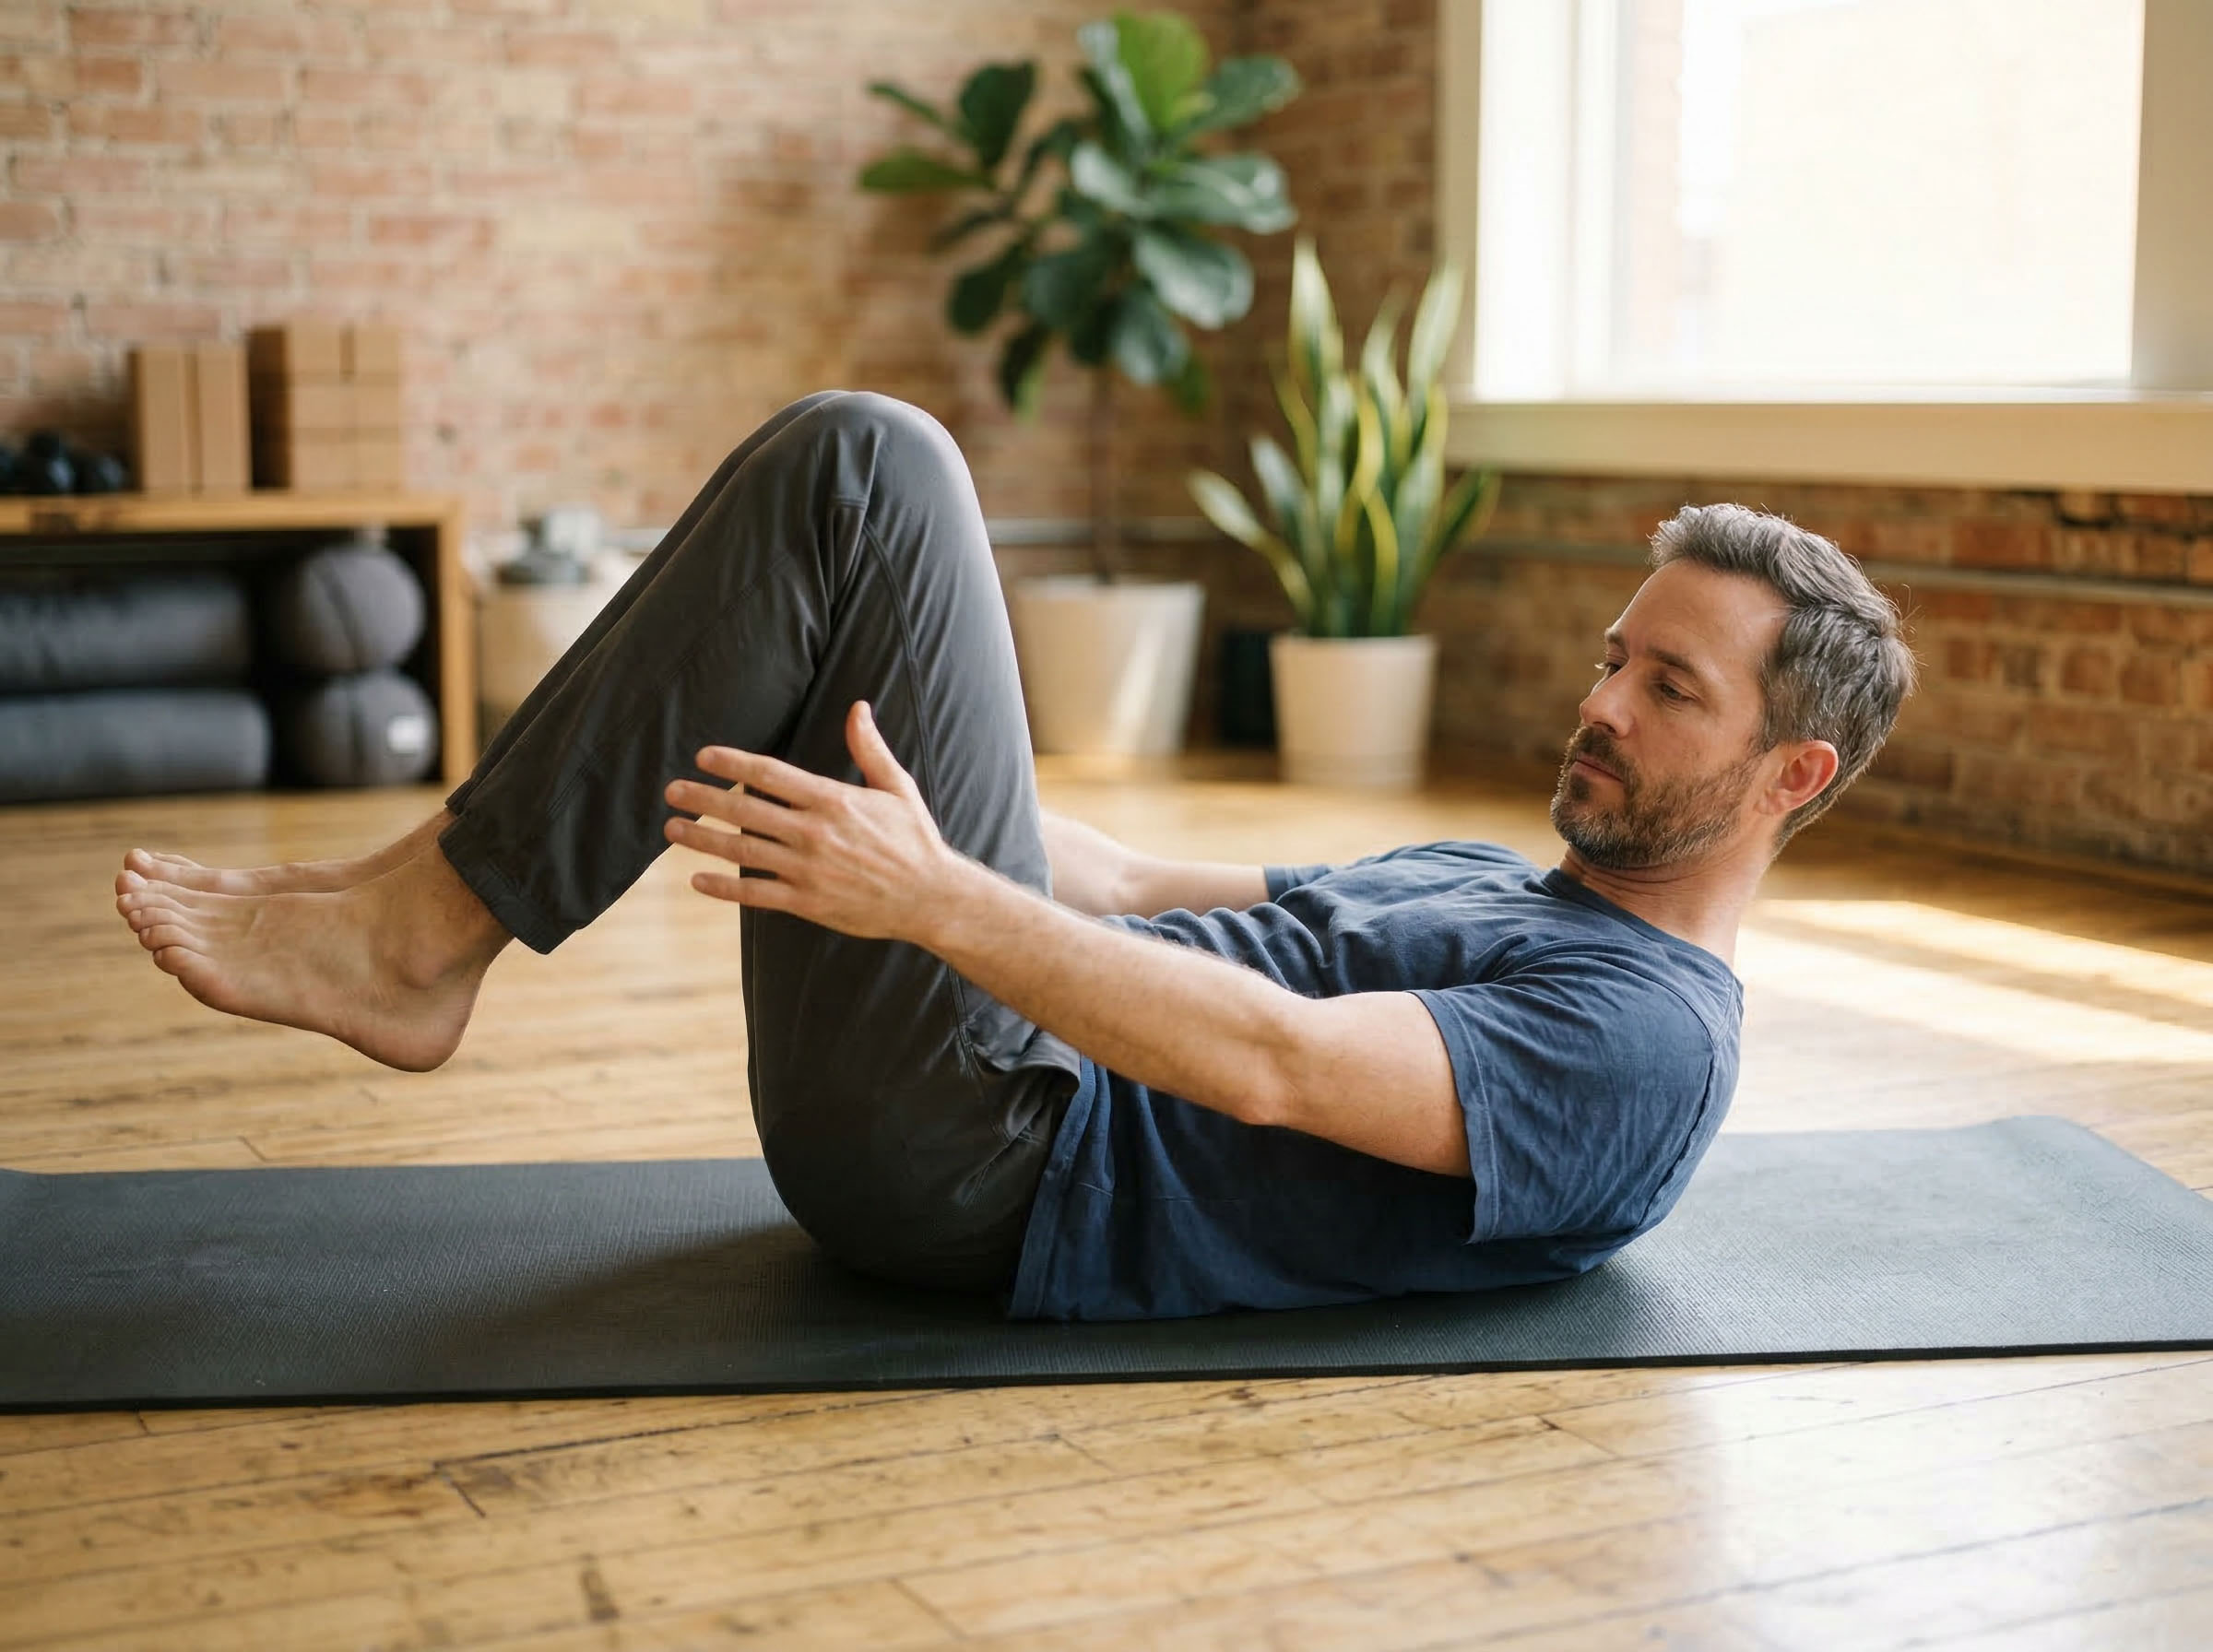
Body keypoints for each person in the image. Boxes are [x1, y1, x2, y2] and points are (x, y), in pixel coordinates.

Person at [113, 392, 1916, 1321]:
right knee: (839, 525)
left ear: (1791, 770)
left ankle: (422, 940)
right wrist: (870, 750)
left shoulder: (1648, 1039)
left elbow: (1277, 1063)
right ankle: (413, 899)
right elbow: (1130, 884)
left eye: (1669, 687)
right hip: (984, 1085)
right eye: (1616, 653)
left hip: (1003, 1163)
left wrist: (931, 891)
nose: (1600, 700)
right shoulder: (1500, 878)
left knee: (869, 464)